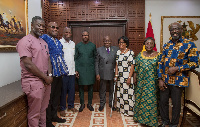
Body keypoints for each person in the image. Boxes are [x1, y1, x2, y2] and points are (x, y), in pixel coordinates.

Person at [158, 22, 199, 127]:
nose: (174, 31)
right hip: (165, 79)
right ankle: (165, 121)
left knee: (176, 105)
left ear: (181, 30)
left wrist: (178, 68)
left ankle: (174, 124)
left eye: (176, 29)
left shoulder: (189, 44)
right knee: (163, 102)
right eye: (172, 29)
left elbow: (195, 63)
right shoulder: (167, 45)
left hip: (179, 80)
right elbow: (160, 63)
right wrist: (160, 79)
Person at [16, 16, 53, 127]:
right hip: (34, 82)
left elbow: (48, 59)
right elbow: (28, 64)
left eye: (43, 26)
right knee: (34, 114)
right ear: (32, 25)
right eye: (39, 25)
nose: (41, 28)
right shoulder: (25, 41)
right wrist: (45, 77)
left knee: (43, 110)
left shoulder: (43, 42)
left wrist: (50, 75)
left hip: (46, 82)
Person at [40, 22, 69, 127]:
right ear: (47, 28)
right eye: (53, 27)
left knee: (56, 97)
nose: (55, 29)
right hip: (49, 74)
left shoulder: (58, 42)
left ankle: (54, 116)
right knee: (48, 99)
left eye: (57, 28)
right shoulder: (43, 39)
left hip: (59, 74)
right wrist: (47, 74)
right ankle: (47, 122)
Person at [133, 37, 160, 127]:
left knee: (151, 101)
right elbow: (136, 67)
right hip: (141, 82)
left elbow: (160, 69)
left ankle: (151, 121)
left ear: (154, 45)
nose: (149, 45)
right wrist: (135, 77)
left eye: (151, 43)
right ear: (144, 45)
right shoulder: (140, 55)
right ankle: (139, 117)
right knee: (140, 98)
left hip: (152, 83)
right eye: (147, 43)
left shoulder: (158, 56)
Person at [95, 36, 119, 111]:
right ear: (103, 41)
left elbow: (118, 61)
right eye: (105, 41)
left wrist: (117, 74)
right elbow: (96, 62)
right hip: (103, 73)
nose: (107, 42)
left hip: (112, 72)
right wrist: (97, 73)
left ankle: (111, 103)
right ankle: (102, 104)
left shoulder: (115, 49)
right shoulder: (99, 50)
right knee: (102, 89)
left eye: (108, 41)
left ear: (111, 41)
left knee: (112, 89)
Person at [75, 30, 96, 112]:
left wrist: (95, 70)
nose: (85, 36)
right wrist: (76, 70)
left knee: (91, 87)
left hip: (90, 69)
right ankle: (82, 104)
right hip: (81, 70)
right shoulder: (78, 46)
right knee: (81, 88)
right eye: (83, 35)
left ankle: (89, 104)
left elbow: (95, 58)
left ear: (88, 36)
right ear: (81, 36)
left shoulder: (93, 46)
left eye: (86, 35)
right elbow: (75, 58)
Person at [114, 36, 135, 116]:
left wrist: (129, 77)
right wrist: (116, 75)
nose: (120, 44)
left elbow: (132, 66)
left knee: (128, 94)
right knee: (121, 93)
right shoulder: (118, 52)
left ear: (126, 44)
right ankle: (121, 109)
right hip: (120, 77)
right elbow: (116, 64)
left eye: (122, 42)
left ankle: (128, 111)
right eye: (119, 42)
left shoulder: (130, 52)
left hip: (127, 76)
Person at [59, 27, 77, 116]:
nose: (68, 33)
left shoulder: (73, 44)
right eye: (66, 32)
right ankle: (62, 108)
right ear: (63, 33)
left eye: (69, 32)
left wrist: (76, 69)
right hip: (63, 73)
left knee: (71, 90)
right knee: (63, 91)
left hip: (72, 72)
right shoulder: (59, 43)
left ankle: (71, 106)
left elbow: (74, 58)